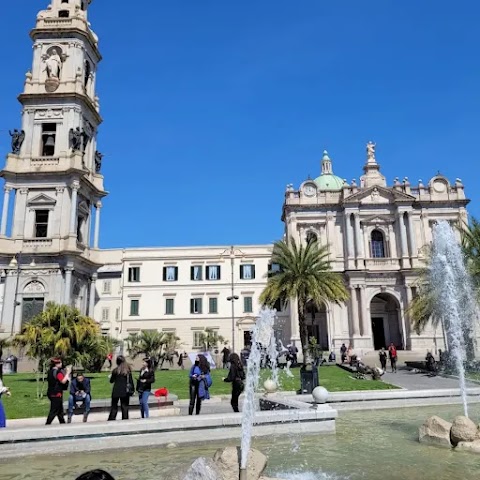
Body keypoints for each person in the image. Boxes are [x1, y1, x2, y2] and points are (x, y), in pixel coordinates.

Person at [108, 355, 134, 421]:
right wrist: (132, 390)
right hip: (125, 391)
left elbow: (111, 381)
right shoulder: (127, 371)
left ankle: (112, 419)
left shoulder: (115, 371)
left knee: (114, 407)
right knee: (124, 406)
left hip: (116, 390)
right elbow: (130, 381)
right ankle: (125, 419)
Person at [46, 358, 71, 425]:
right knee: (54, 410)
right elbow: (63, 381)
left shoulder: (50, 371)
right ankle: (47, 424)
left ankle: (62, 423)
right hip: (56, 393)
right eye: (60, 363)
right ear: (56, 364)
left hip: (51, 392)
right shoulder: (57, 372)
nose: (61, 364)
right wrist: (68, 373)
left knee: (60, 411)